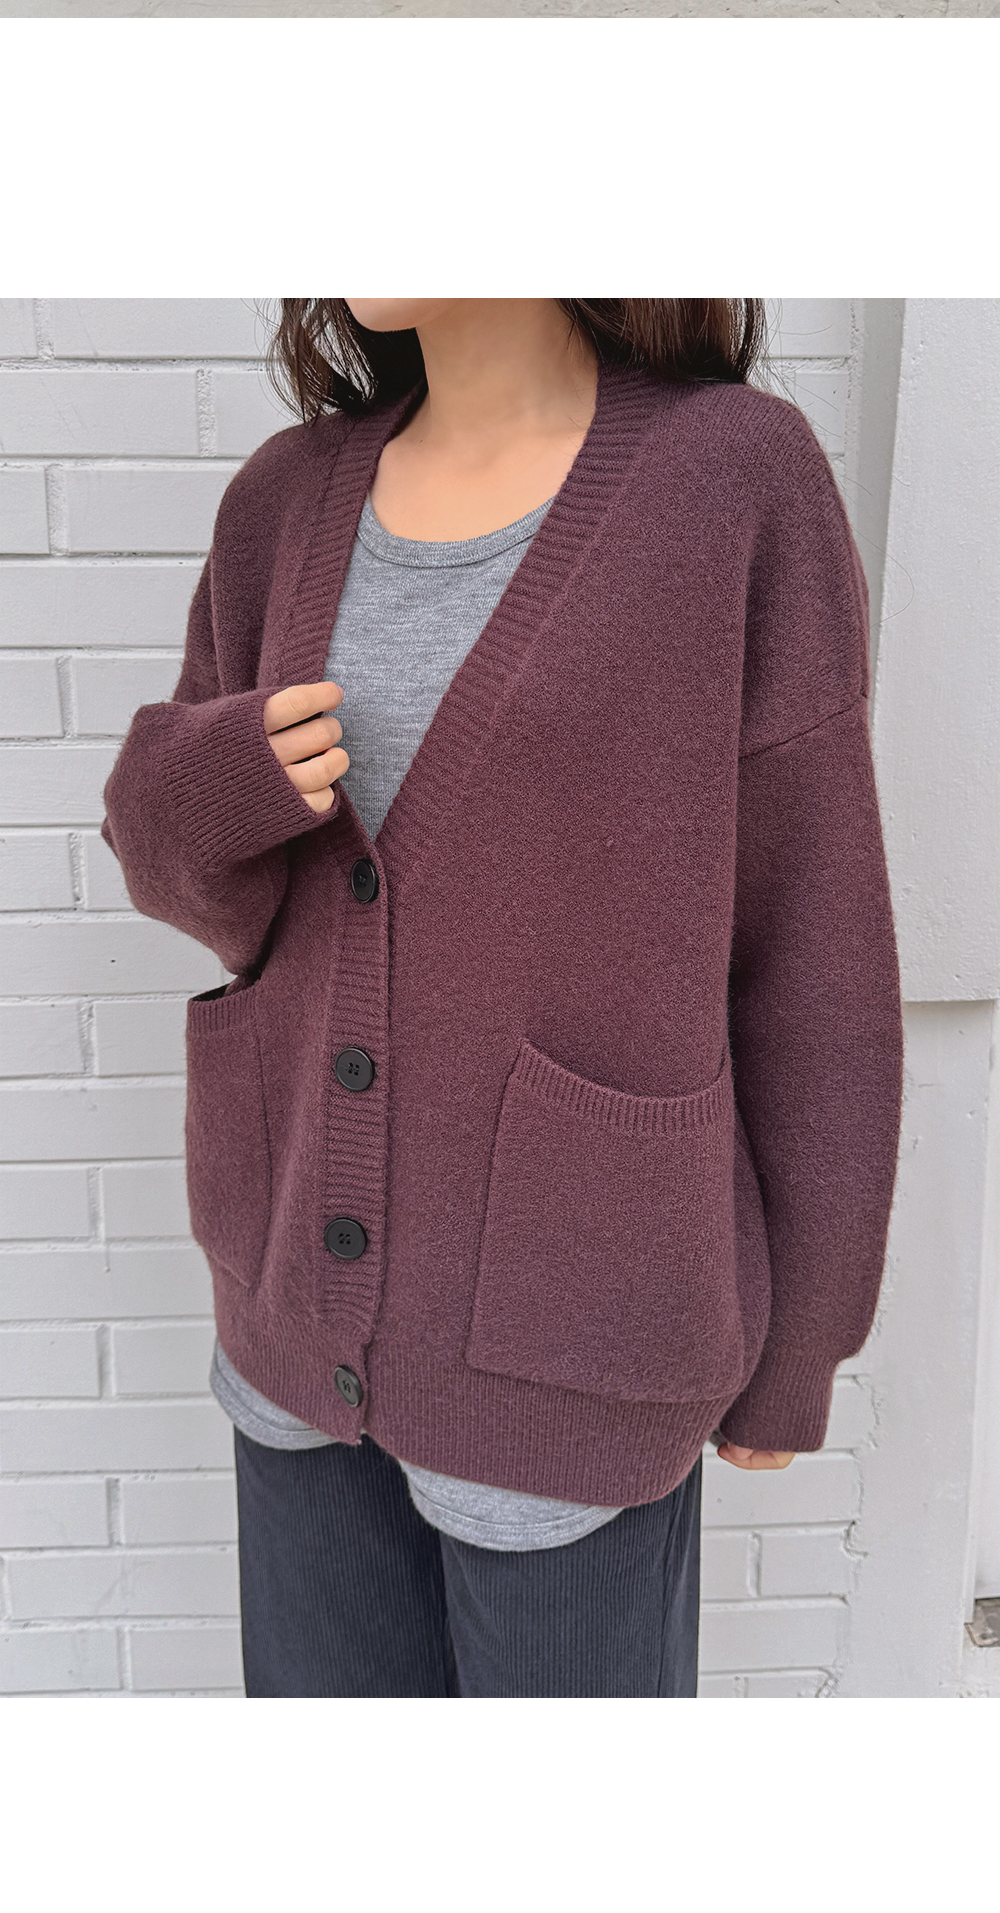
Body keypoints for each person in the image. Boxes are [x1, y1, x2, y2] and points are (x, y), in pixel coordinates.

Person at [103, 294, 904, 1704]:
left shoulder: (731, 477)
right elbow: (203, 895)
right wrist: (223, 781)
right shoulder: (282, 500)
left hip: (574, 1326)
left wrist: (803, 1339)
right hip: (293, 1306)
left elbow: (814, 935)